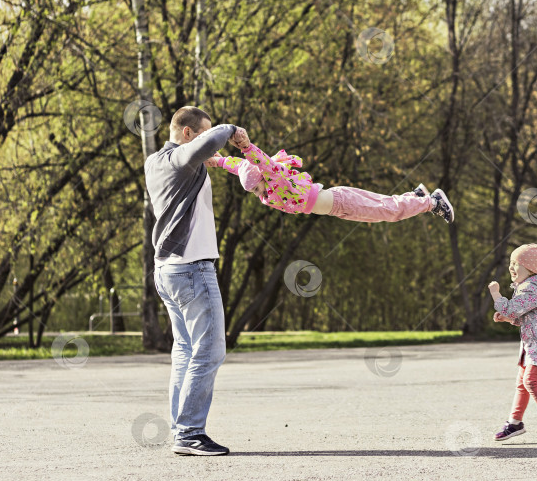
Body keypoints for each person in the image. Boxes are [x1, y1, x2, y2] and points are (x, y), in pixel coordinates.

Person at [144, 106, 246, 456]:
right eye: (203, 137)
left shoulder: (154, 161)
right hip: (191, 268)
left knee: (185, 352)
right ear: (187, 134)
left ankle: (181, 430)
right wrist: (230, 129)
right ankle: (189, 433)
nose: (213, 151)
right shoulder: (178, 160)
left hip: (167, 270)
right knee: (210, 349)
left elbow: (204, 153)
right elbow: (205, 146)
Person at [206, 133, 455, 224]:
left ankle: (432, 202)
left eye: (259, 189)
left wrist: (247, 147)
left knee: (388, 212)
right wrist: (218, 161)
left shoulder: (275, 178)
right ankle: (417, 197)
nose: (261, 195)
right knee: (384, 210)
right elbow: (241, 167)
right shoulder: (259, 181)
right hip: (338, 207)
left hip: (340, 201)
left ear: (265, 178)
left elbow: (261, 163)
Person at [488, 243, 537, 444]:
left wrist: (497, 295)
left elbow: (513, 309)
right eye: (511, 263)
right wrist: (508, 319)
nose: (511, 268)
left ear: (530, 268)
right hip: (533, 343)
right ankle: (515, 422)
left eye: (516, 264)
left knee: (530, 381)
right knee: (521, 383)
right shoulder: (528, 287)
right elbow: (525, 316)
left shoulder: (531, 289)